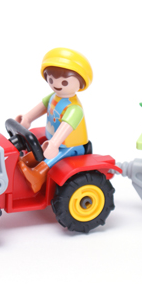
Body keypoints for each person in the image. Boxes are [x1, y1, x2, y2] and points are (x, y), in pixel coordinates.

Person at [15, 47, 93, 192]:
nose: (56, 84)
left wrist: (54, 144)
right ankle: (24, 163)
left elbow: (66, 127)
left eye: (64, 83)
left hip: (71, 147)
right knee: (34, 153)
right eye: (51, 79)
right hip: (51, 142)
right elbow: (41, 107)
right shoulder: (53, 97)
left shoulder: (74, 109)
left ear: (80, 83)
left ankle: (37, 176)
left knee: (54, 156)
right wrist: (27, 118)